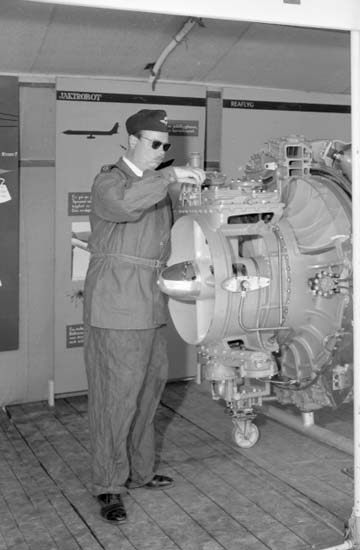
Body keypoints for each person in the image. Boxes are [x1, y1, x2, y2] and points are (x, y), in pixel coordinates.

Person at [83, 109, 205, 524]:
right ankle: (108, 483)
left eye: (165, 145)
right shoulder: (110, 181)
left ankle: (140, 471)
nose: (160, 150)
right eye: (154, 143)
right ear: (131, 141)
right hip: (117, 303)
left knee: (148, 394)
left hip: (151, 300)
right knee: (115, 399)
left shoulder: (158, 187)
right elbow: (122, 206)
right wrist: (169, 176)